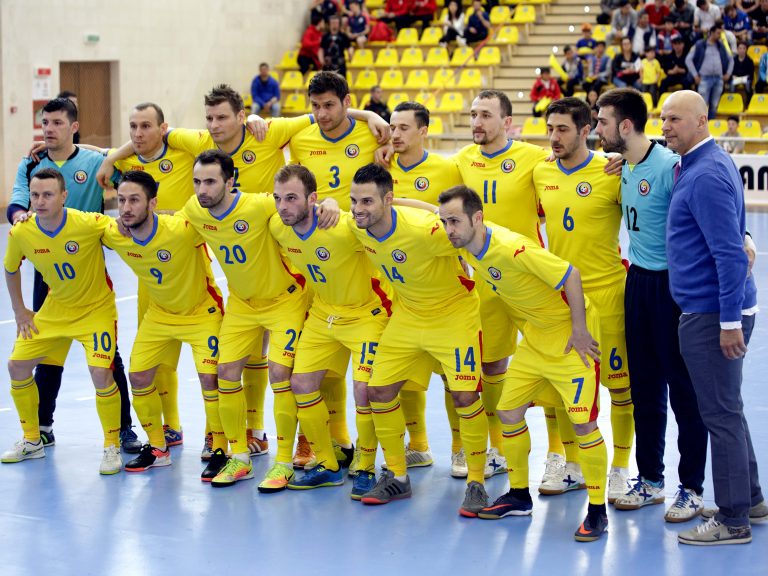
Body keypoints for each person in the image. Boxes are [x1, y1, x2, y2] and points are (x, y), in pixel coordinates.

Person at [436, 185, 609, 542]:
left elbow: (570, 275)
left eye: (454, 221)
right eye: (445, 222)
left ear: (477, 219)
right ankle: (519, 495)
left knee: (583, 423)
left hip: (569, 338)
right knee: (509, 411)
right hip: (534, 339)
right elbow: (425, 209)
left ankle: (597, 510)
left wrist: (578, 330)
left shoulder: (513, 249)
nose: (448, 229)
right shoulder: (470, 243)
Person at [178, 150, 338, 490]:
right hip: (241, 304)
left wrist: (332, 203)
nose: (202, 189)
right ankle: (240, 457)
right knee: (225, 372)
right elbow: (171, 226)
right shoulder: (195, 209)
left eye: (210, 181)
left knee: (281, 372)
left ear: (230, 182)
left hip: (285, 301)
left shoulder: (260, 205)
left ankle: (283, 462)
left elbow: (299, 205)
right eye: (196, 182)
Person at [348, 163, 491, 518]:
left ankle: (476, 482)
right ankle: (397, 475)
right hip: (408, 316)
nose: (358, 208)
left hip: (453, 314)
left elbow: (476, 234)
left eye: (367, 201)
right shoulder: (357, 227)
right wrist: (332, 208)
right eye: (353, 201)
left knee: (464, 395)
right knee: (377, 390)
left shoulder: (427, 231)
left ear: (389, 200)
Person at [594, 87, 709, 522]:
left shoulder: (671, 167)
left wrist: (746, 238)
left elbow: (705, 212)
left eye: (601, 122)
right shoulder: (624, 165)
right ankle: (652, 480)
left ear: (624, 126)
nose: (596, 129)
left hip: (672, 288)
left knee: (683, 389)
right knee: (644, 387)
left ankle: (693, 487)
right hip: (636, 283)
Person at [7, 98, 140, 455]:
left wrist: (105, 154)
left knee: (107, 356)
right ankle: (43, 426)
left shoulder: (95, 161)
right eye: (44, 123)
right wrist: (21, 216)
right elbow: (17, 201)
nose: (48, 129)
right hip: (48, 266)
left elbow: (130, 178)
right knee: (47, 350)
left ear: (73, 126)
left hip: (87, 260)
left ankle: (124, 429)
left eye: (55, 123)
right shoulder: (32, 163)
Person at [662, 89, 766, 545]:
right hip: (710, 309)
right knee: (730, 411)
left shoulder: (703, 174)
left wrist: (727, 323)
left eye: (676, 120)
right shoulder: (703, 163)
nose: (666, 127)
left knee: (719, 415)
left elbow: (727, 254)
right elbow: (732, 230)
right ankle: (752, 498)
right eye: (663, 119)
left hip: (710, 315)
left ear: (701, 121)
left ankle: (733, 518)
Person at [452, 91, 558, 488]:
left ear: (508, 123)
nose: (476, 122)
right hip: (487, 283)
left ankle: (559, 456)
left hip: (531, 281)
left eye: (485, 115)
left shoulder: (534, 157)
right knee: (491, 366)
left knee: (552, 369)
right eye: (473, 114)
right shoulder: (462, 161)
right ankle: (497, 450)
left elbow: (580, 166)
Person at [268, 164, 391, 497]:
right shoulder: (280, 227)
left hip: (365, 313)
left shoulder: (344, 227)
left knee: (364, 390)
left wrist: (338, 204)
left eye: (291, 198)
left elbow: (390, 213)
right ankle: (327, 464)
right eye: (278, 198)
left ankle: (365, 465)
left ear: (313, 198)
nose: (283, 206)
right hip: (323, 315)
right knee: (300, 382)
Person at [533, 98, 634, 503]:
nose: (553, 137)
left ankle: (621, 468)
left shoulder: (613, 172)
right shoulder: (540, 171)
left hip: (607, 294)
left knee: (619, 388)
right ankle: (570, 464)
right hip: (559, 299)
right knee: (561, 387)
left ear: (585, 128)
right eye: (550, 129)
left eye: (562, 129)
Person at [102, 170, 225, 474]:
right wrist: (23, 215)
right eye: (121, 201)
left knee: (211, 377)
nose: (126, 208)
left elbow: (221, 214)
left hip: (201, 311)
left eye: (134, 200)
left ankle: (219, 444)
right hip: (159, 315)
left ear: (153, 203)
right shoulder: (115, 233)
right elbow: (72, 222)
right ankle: (158, 447)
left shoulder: (182, 228)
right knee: (140, 375)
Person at [1, 169, 122, 475]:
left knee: (100, 372)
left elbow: (122, 228)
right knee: (16, 365)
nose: (39, 201)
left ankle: (112, 445)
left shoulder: (87, 222)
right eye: (35, 195)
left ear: (64, 196)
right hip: (55, 311)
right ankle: (32, 440)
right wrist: (20, 310)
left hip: (95, 310)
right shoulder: (21, 232)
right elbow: (11, 268)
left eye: (48, 195)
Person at [387, 101, 464, 473]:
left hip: (443, 286)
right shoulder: (380, 165)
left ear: (423, 131)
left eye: (403, 128)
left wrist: (398, 202)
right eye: (391, 127)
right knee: (405, 373)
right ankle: (418, 445)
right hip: (398, 288)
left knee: (453, 375)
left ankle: (461, 448)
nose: (395, 134)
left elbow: (451, 218)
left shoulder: (446, 168)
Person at [289, 71, 387, 210]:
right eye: (315, 105)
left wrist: (390, 145)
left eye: (329, 105)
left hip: (361, 226)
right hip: (318, 226)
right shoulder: (299, 139)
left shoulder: (373, 134)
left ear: (347, 101)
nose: (321, 114)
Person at [686, 23, 733, 119]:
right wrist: (695, 75)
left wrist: (728, 73)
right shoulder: (700, 44)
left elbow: (731, 59)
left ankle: (710, 126)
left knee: (714, 105)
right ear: (711, 33)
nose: (720, 35)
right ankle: (699, 128)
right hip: (704, 78)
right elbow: (688, 60)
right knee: (702, 105)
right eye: (718, 33)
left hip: (718, 79)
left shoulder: (721, 46)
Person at [320, 15, 353, 79]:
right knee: (326, 83)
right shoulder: (325, 37)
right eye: (332, 23)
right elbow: (321, 49)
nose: (334, 25)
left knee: (341, 83)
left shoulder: (343, 36)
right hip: (328, 64)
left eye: (336, 23)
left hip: (340, 64)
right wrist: (321, 60)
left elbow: (349, 47)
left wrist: (350, 54)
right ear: (329, 24)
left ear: (339, 24)